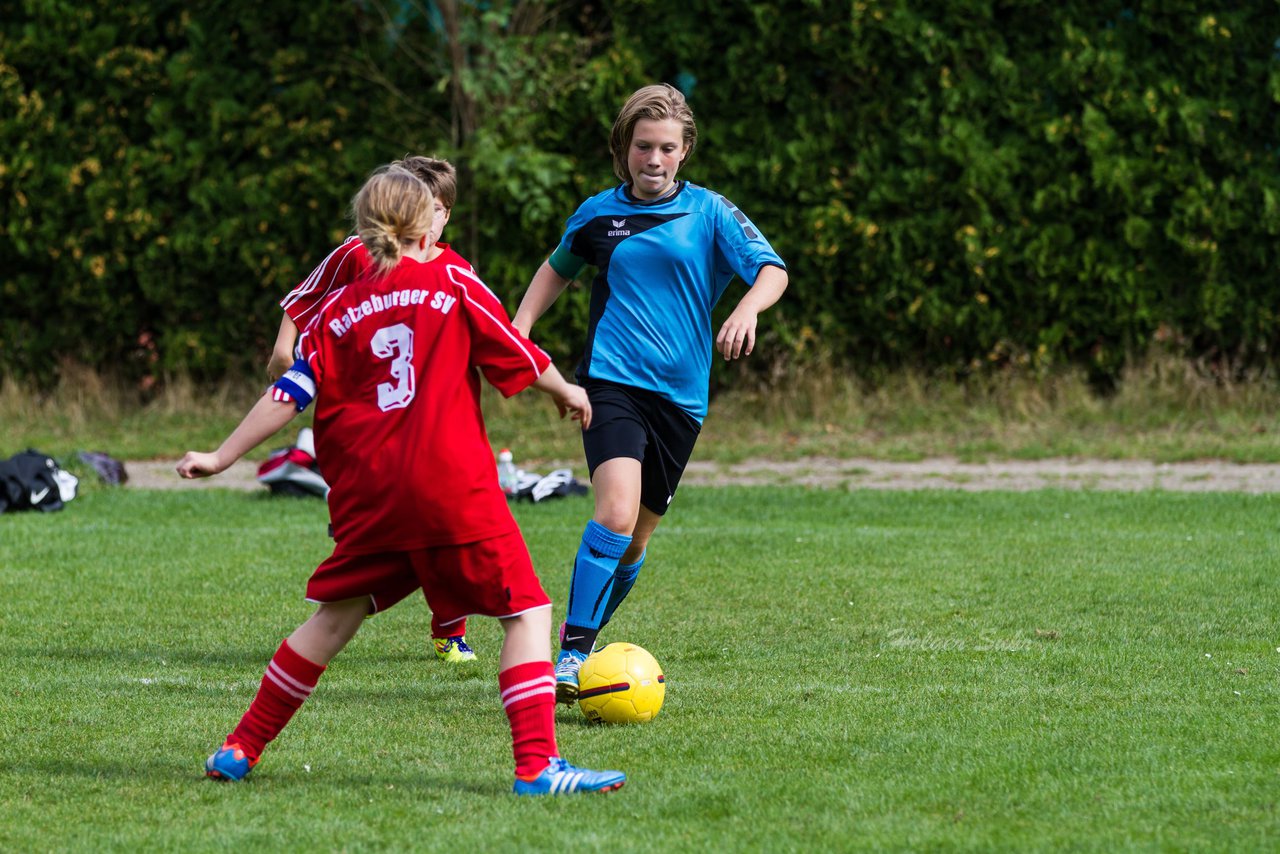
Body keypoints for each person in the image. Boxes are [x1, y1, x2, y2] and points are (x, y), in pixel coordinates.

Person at [179, 165, 625, 795]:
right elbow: (515, 351)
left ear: (365, 231)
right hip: (449, 485)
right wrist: (566, 390)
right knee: (527, 611)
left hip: (370, 496)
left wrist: (221, 457)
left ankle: (239, 747)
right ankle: (537, 767)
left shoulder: (336, 309)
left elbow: (289, 392)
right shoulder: (452, 279)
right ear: (428, 224)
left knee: (331, 622)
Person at [512, 83, 789, 703]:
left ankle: (580, 643)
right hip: (610, 383)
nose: (654, 159)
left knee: (636, 539)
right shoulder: (597, 215)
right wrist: (522, 325)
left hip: (681, 399)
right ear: (625, 148)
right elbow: (559, 265)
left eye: (667, 147)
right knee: (612, 512)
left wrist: (745, 310)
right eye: (643, 146)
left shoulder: (712, 212)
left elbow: (773, 270)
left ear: (684, 151)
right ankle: (570, 657)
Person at [268, 156, 479, 664]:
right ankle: (333, 616)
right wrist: (283, 349)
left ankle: (450, 629)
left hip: (436, 424)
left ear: (446, 214)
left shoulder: (457, 271)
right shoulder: (357, 255)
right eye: (417, 206)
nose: (428, 218)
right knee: (368, 528)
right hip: (363, 418)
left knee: (445, 526)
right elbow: (304, 298)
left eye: (437, 209)